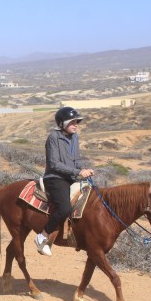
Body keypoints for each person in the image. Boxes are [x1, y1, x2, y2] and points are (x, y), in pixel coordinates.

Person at [35, 107, 94, 256]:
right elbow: (54, 164)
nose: (75, 124)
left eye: (76, 122)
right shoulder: (53, 137)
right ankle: (43, 235)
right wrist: (77, 172)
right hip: (55, 178)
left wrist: (83, 169)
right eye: (72, 122)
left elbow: (76, 160)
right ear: (62, 123)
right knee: (64, 209)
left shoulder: (75, 137)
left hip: (71, 177)